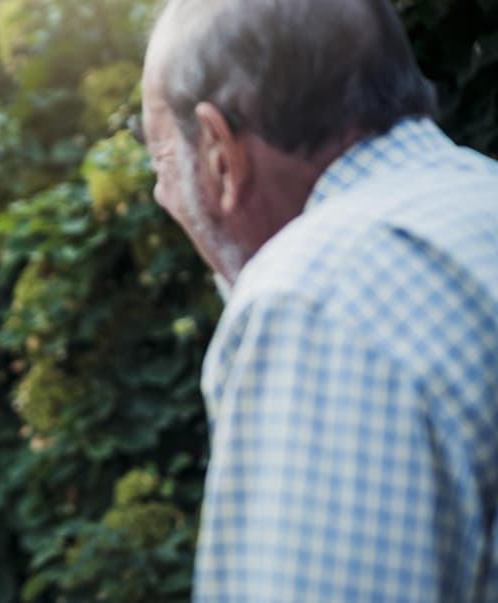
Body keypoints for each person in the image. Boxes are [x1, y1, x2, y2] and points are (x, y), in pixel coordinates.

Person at [138, 0, 498, 600]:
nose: (163, 196)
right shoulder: (481, 200)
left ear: (220, 153)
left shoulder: (312, 302)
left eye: (165, 162)